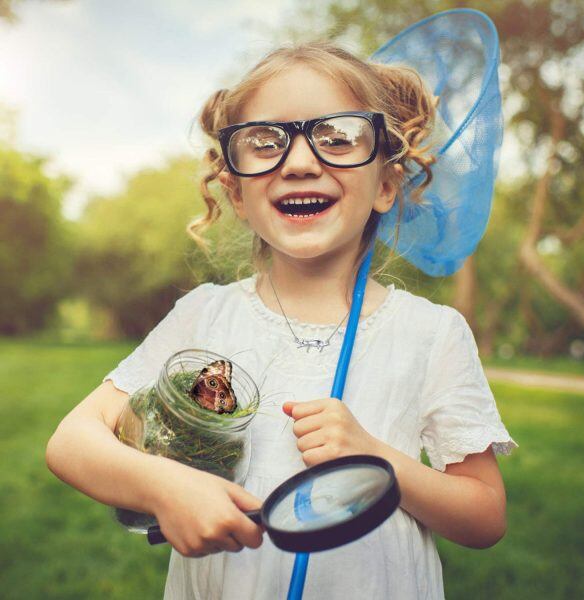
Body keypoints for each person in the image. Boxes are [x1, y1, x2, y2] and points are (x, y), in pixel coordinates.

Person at [45, 41, 517, 600]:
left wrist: (379, 458)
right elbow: (72, 442)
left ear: (387, 185)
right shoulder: (204, 315)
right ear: (237, 192)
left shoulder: (432, 333)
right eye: (264, 143)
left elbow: (484, 516)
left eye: (337, 137)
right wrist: (165, 487)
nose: (297, 162)